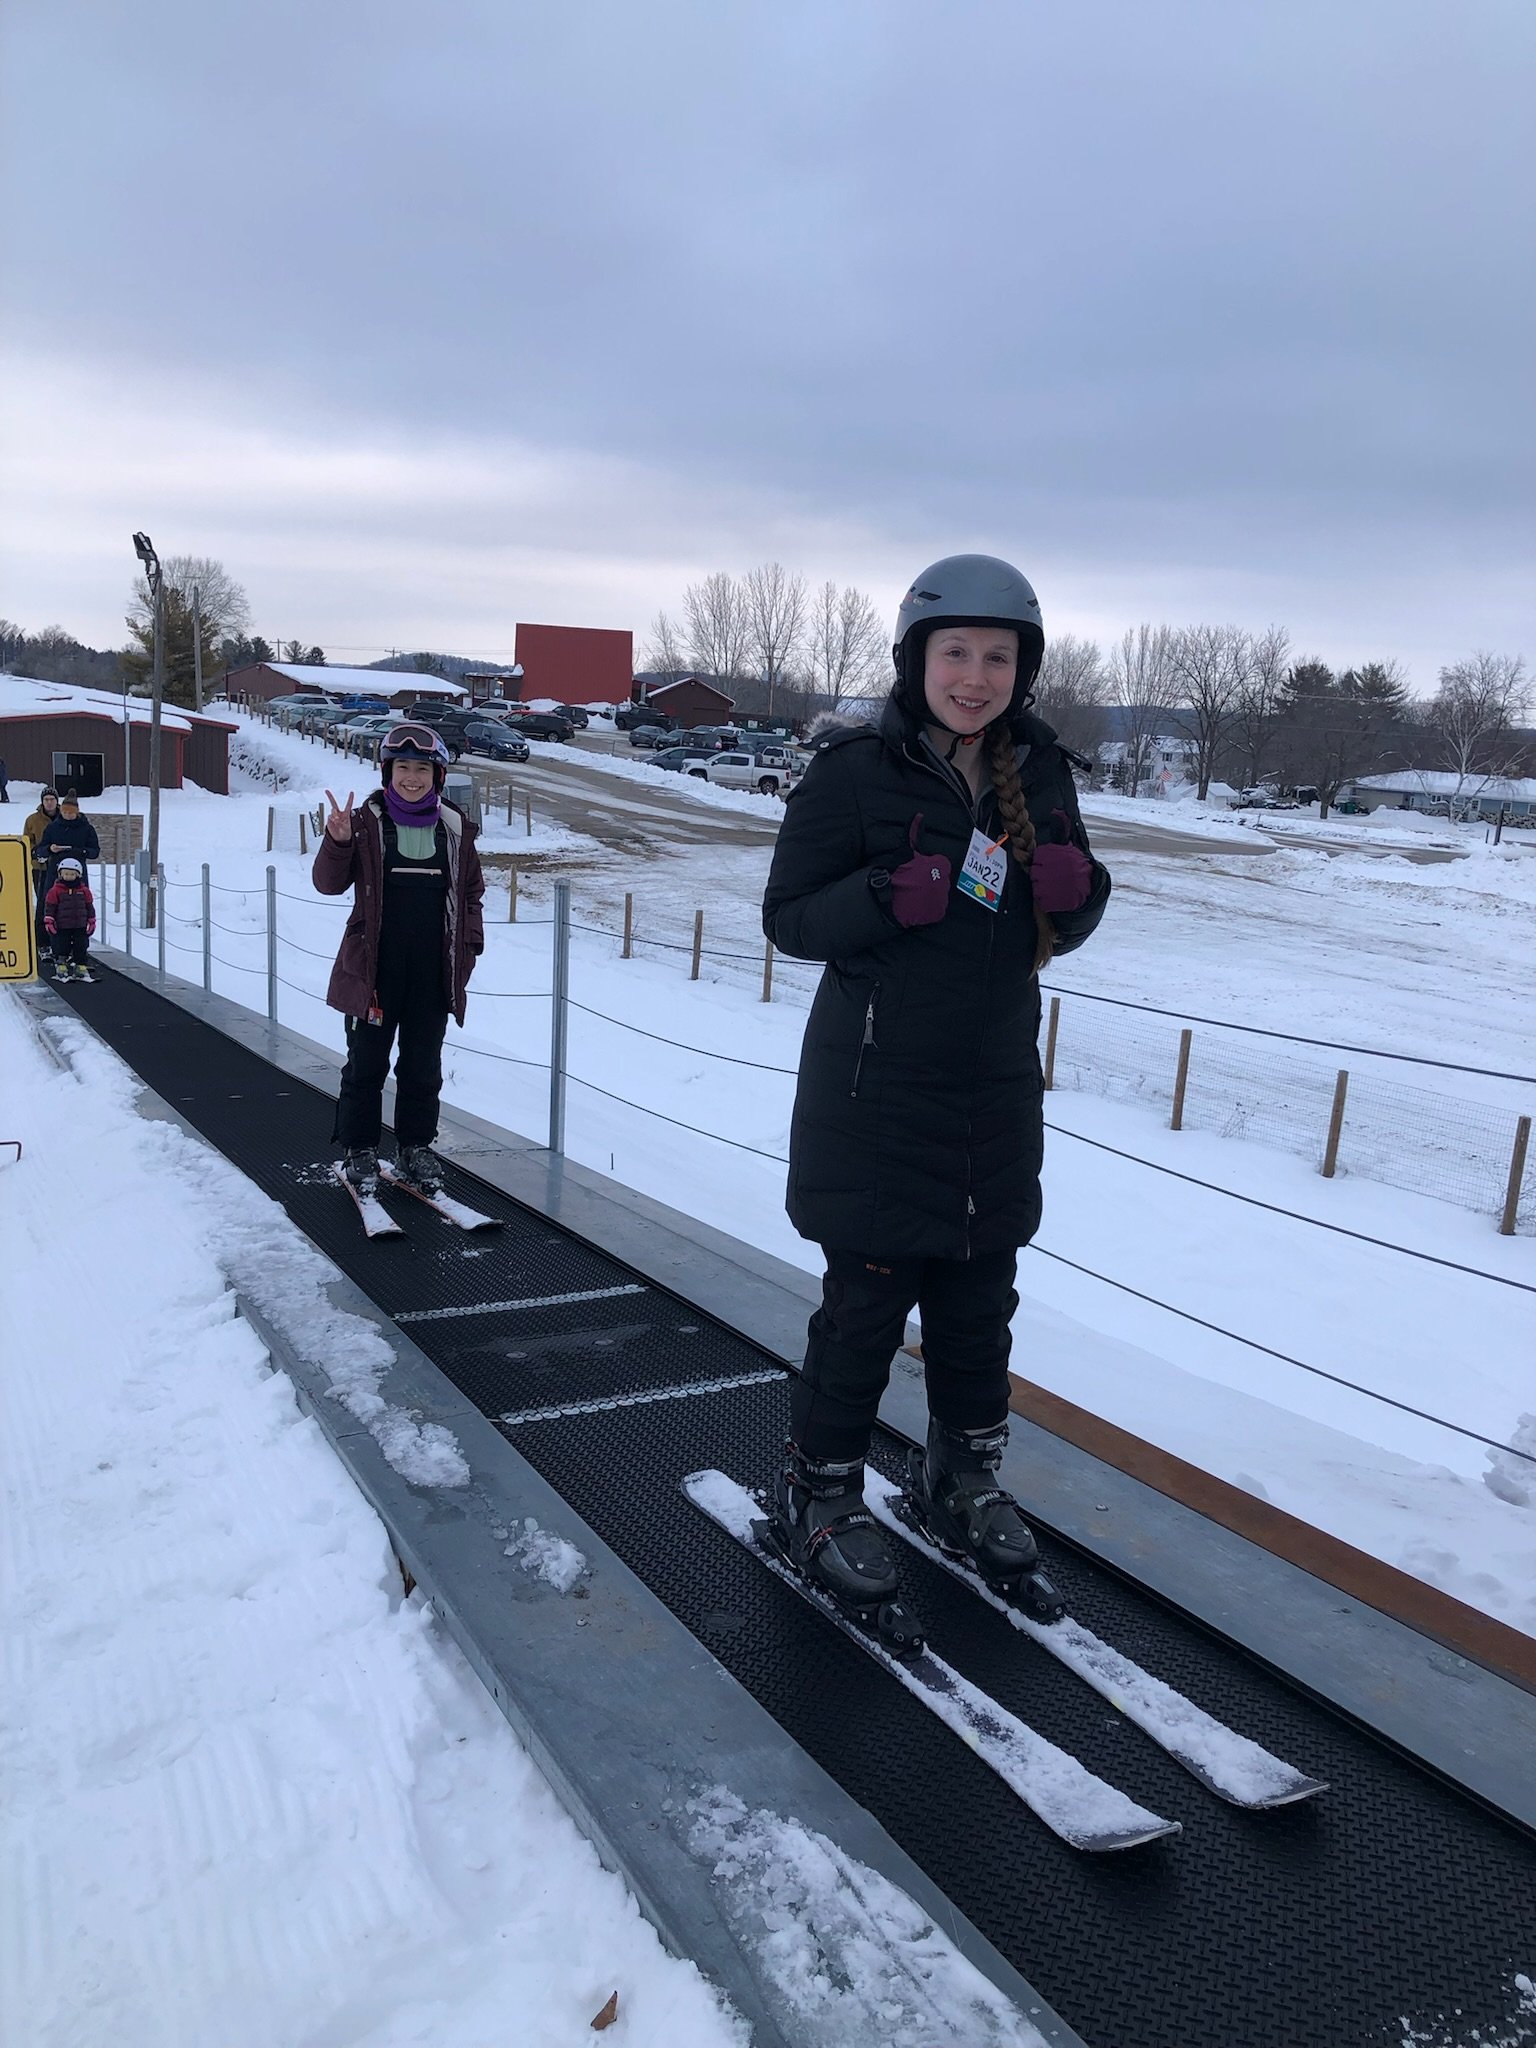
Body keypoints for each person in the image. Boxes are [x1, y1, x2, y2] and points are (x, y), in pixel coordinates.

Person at [760, 554, 1111, 1634]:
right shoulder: (853, 771)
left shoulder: (1041, 772)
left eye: (996, 655)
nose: (974, 673)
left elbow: (1065, 915)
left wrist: (1084, 891)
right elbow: (788, 917)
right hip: (875, 1090)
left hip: (993, 1088)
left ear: (1024, 669)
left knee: (976, 1305)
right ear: (916, 660)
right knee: (865, 1304)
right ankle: (817, 1492)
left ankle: (960, 1481)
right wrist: (882, 894)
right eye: (954, 651)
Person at [312, 724, 485, 1197]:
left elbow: (472, 894)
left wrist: (467, 953)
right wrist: (338, 840)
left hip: (433, 970)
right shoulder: (366, 822)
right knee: (366, 1064)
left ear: (438, 775)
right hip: (375, 971)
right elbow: (328, 884)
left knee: (423, 1066)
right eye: (403, 767)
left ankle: (414, 1147)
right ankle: (360, 1148)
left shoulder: (454, 828)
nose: (412, 777)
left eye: (422, 769)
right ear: (389, 771)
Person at [23, 786, 62, 960]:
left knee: (62, 904)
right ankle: (42, 942)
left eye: (52, 799)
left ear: (57, 801)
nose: (49, 802)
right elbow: (27, 841)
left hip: (63, 869)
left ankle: (60, 941)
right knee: (43, 904)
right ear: (42, 801)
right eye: (46, 799)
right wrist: (37, 853)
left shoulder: (65, 817)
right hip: (40, 868)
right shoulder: (32, 820)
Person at [44, 857, 96, 981]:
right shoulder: (55, 891)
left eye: (72, 874)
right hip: (63, 925)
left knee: (81, 945)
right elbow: (50, 907)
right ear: (60, 874)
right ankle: (61, 964)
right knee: (62, 945)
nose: (69, 876)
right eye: (66, 874)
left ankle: (80, 965)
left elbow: (89, 906)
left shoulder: (84, 891)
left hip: (80, 925)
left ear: (78, 875)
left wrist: (92, 920)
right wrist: (49, 920)